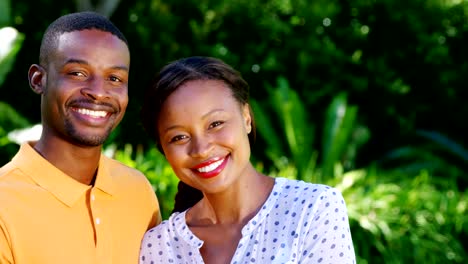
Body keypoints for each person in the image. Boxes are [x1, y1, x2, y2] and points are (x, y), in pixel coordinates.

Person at [139, 56, 355, 263]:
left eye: (215, 124)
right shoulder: (157, 246)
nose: (202, 149)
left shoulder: (312, 209)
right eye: (179, 137)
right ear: (163, 149)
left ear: (246, 118)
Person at [0, 11, 161, 264]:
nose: (98, 93)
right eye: (77, 73)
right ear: (38, 79)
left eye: (115, 78)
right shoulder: (4, 202)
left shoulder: (137, 190)